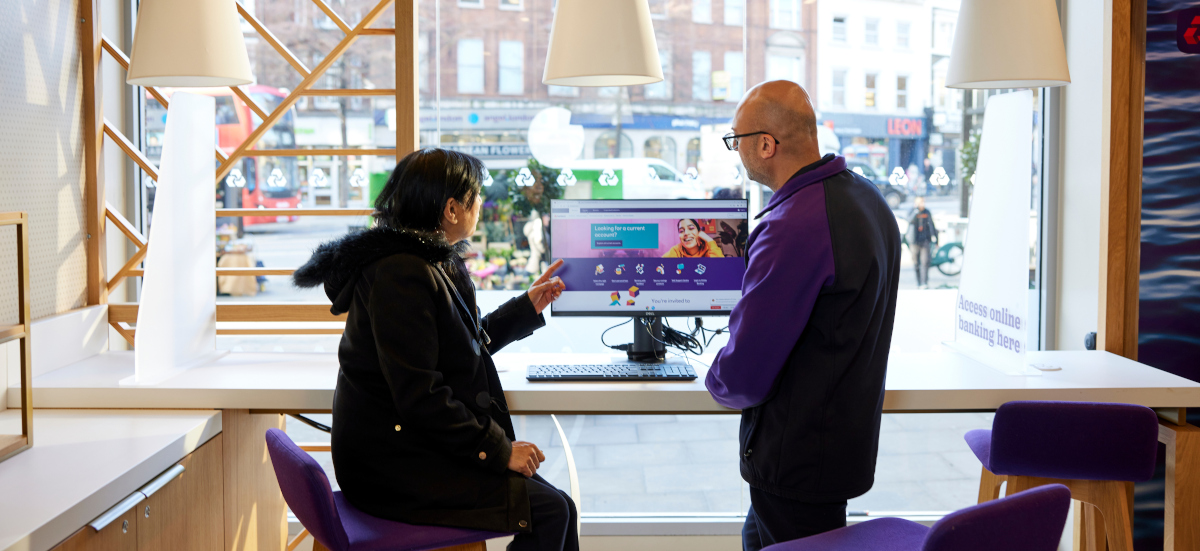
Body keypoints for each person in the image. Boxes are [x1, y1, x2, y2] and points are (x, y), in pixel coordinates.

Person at [293, 148, 577, 551]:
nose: (480, 204)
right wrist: (497, 449)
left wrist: (525, 306)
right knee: (552, 510)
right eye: (476, 196)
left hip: (410, 446)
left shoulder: (426, 260)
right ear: (451, 209)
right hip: (393, 468)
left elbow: (463, 345)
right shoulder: (402, 272)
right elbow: (420, 396)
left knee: (557, 507)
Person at [705, 81, 901, 551]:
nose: (737, 152)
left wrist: (715, 375)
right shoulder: (870, 201)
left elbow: (746, 372)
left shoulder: (792, 225)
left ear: (766, 144)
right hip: (840, 445)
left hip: (797, 457)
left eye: (737, 140)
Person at [907, 197, 938, 289]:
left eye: (923, 202)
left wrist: (936, 238)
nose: (922, 204)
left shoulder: (926, 212)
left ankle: (924, 282)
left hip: (925, 240)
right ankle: (919, 282)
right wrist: (916, 211)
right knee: (916, 262)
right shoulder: (912, 211)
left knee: (925, 262)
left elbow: (932, 225)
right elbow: (909, 220)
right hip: (914, 241)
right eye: (920, 202)